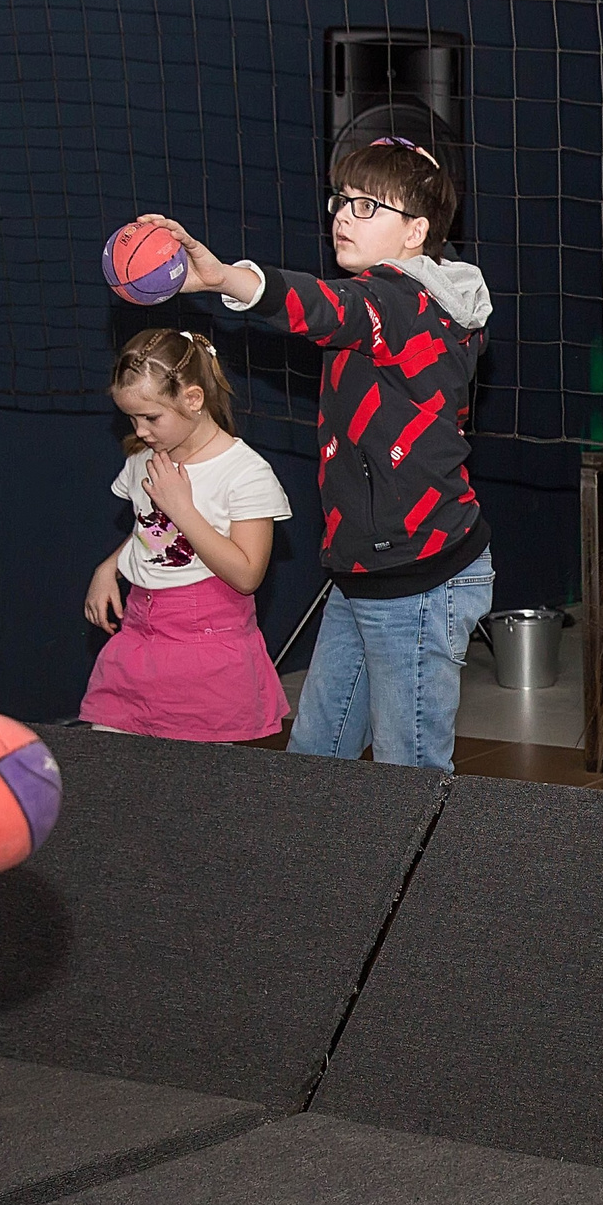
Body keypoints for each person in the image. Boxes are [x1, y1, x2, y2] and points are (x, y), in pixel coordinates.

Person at [135, 137, 493, 771]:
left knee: (408, 775)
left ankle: (422, 875)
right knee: (314, 760)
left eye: (367, 206)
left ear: (417, 231)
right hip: (361, 573)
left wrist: (219, 277)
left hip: (418, 578)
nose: (343, 216)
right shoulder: (389, 301)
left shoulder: (402, 301)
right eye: (341, 201)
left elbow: (321, 307)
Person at [80, 328, 291, 742]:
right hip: (140, 639)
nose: (140, 431)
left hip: (207, 651)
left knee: (196, 792)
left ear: (193, 400)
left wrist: (182, 508)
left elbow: (247, 574)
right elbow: (150, 530)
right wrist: (111, 568)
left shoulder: (245, 473)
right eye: (132, 418)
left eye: (151, 418)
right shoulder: (146, 457)